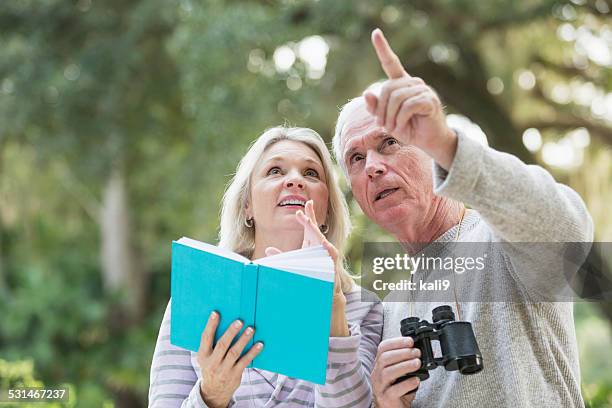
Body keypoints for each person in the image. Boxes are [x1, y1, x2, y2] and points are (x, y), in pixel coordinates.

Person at [332, 29, 593, 407]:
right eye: (356, 159)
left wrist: (448, 146)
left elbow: (568, 229)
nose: (372, 166)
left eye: (388, 142)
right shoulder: (388, 312)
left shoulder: (502, 244)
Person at [148, 126, 383, 407]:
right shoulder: (194, 300)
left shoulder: (362, 308)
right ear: (247, 206)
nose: (295, 180)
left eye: (311, 173)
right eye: (275, 171)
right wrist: (211, 395)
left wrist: (331, 311)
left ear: (327, 211)